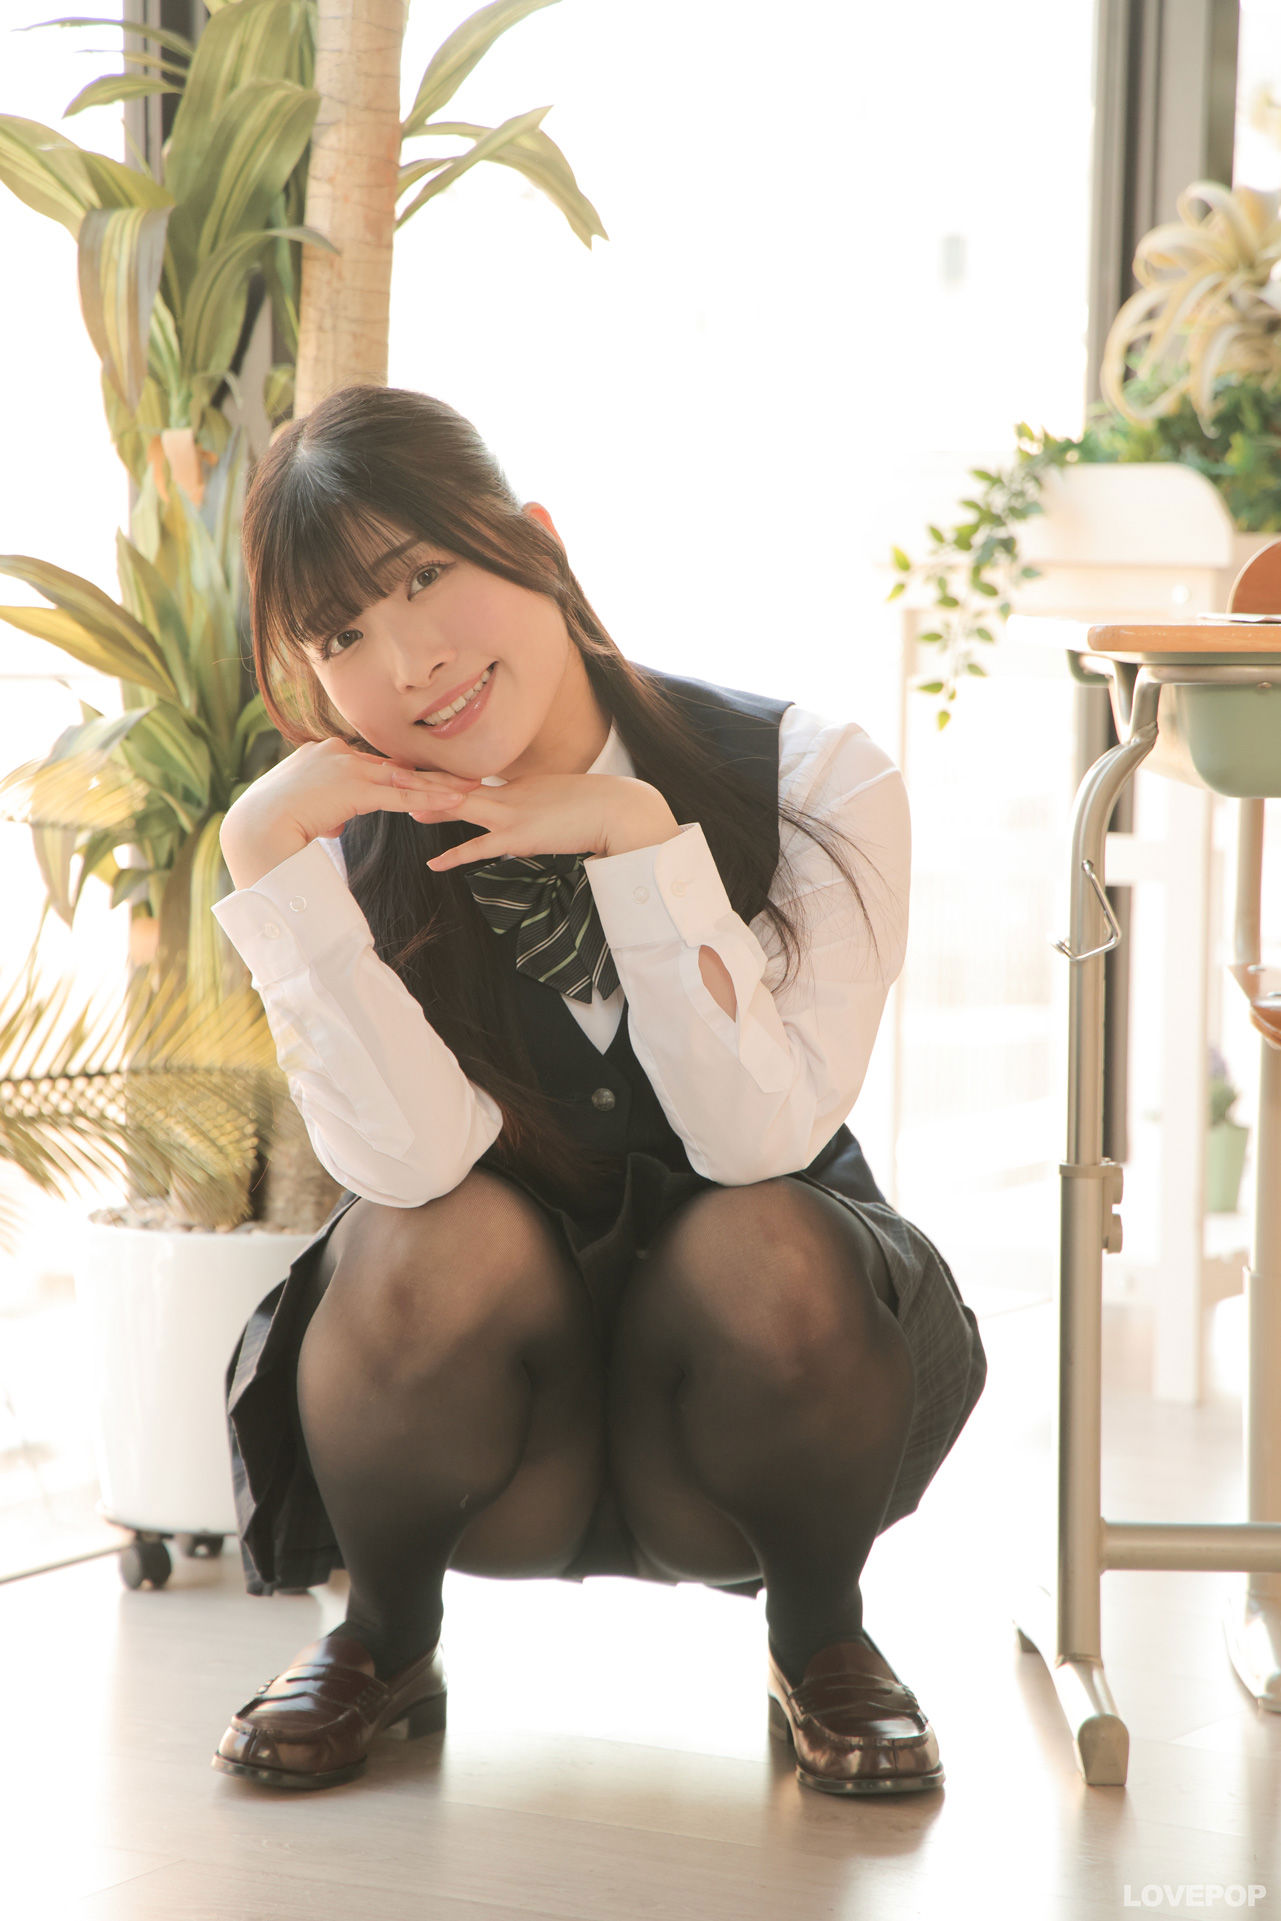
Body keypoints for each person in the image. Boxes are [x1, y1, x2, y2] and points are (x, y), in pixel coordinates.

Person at [207, 384, 987, 1798]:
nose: (410, 662)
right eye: (343, 636)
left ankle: (821, 1637)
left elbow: (758, 1137)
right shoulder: (337, 843)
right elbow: (410, 1165)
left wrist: (638, 846)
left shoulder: (811, 778)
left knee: (767, 1235)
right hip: (498, 1444)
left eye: (423, 576)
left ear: (537, 543)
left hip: (767, 1414)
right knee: (421, 1241)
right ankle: (385, 1636)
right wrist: (265, 862)